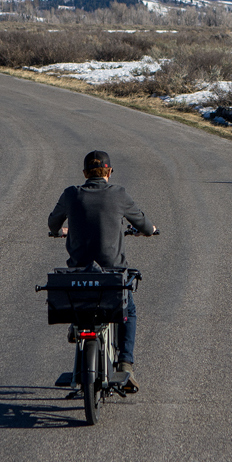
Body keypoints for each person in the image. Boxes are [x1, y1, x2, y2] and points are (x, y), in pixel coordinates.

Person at [48, 150, 157, 393]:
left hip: (78, 276)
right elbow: (145, 224)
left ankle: (76, 327)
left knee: (79, 298)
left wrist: (59, 231)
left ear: (85, 173)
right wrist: (149, 230)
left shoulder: (70, 194)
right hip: (112, 277)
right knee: (129, 309)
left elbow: (53, 223)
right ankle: (126, 363)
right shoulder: (118, 194)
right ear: (108, 172)